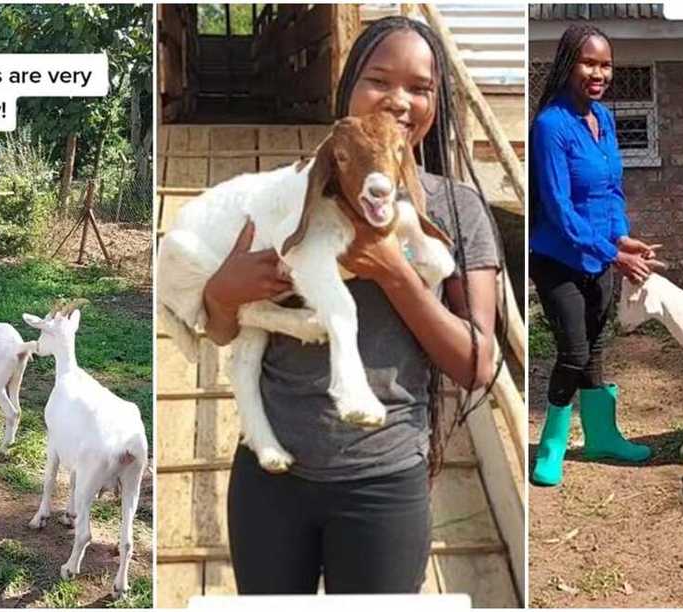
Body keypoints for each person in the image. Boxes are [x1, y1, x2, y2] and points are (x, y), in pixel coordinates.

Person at [200, 16, 502, 594]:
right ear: (347, 92)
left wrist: (393, 271)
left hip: (383, 482)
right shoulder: (294, 194)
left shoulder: (456, 209)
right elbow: (220, 330)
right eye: (378, 81)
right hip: (270, 479)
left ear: (437, 103)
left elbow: (477, 364)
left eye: (420, 88)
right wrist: (221, 292)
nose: (398, 101)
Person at [528, 24, 664, 487]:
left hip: (599, 256)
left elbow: (609, 190)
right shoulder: (550, 126)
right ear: (569, 64)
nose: (598, 73)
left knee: (596, 348)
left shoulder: (602, 120)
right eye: (589, 63)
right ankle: (551, 448)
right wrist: (613, 254)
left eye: (605, 64)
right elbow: (560, 211)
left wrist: (622, 238)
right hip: (557, 260)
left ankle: (603, 436)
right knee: (572, 352)